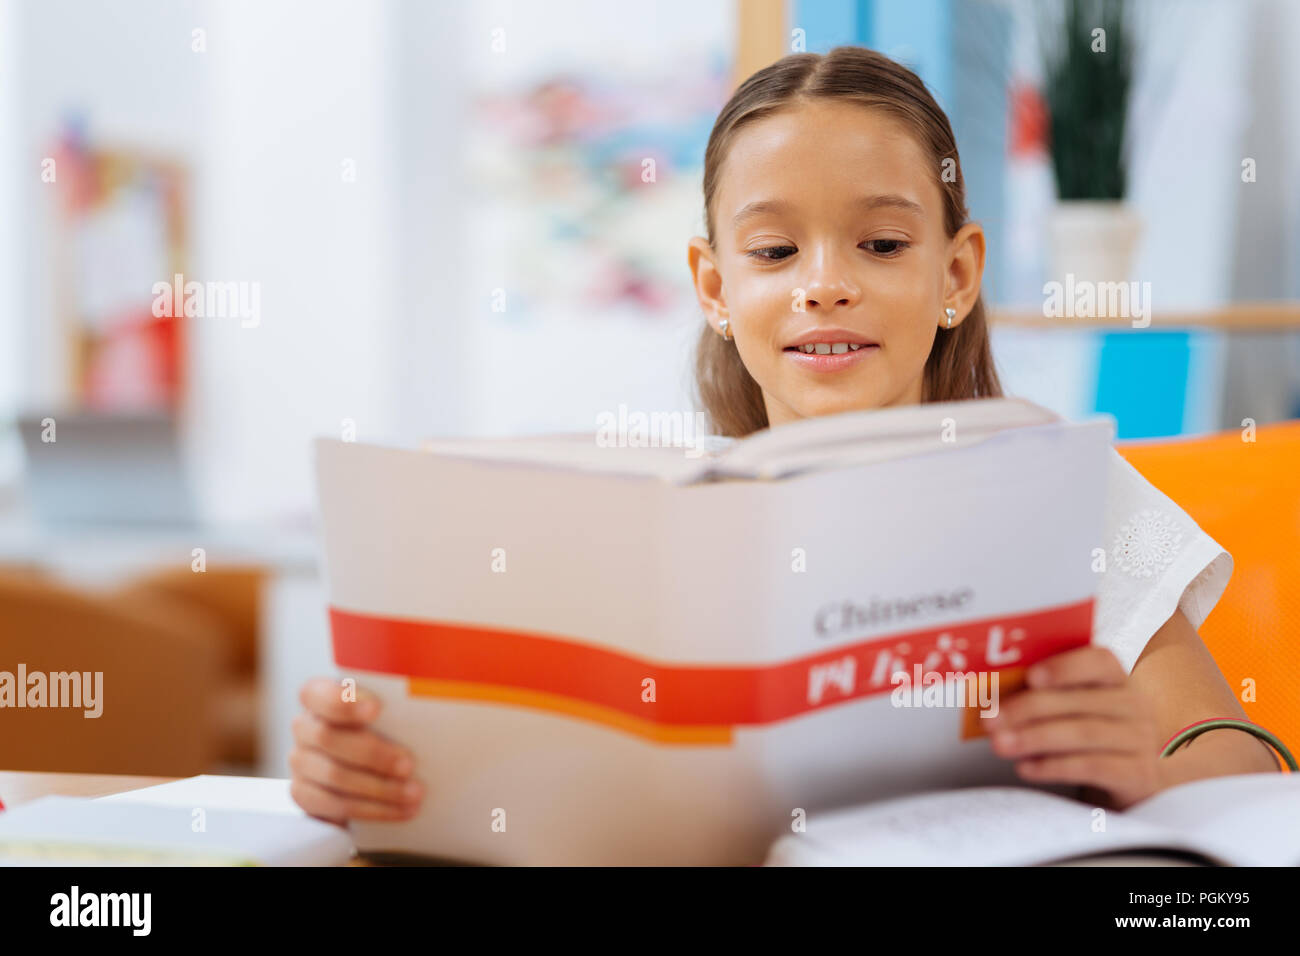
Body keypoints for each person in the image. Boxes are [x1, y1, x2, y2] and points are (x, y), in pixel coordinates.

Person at [288, 46, 1278, 826]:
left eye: (881, 244)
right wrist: (372, 770)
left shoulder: (1067, 492)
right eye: (772, 250)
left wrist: (1147, 769)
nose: (821, 283)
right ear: (715, 287)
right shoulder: (659, 519)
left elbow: (1237, 754)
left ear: (957, 274)